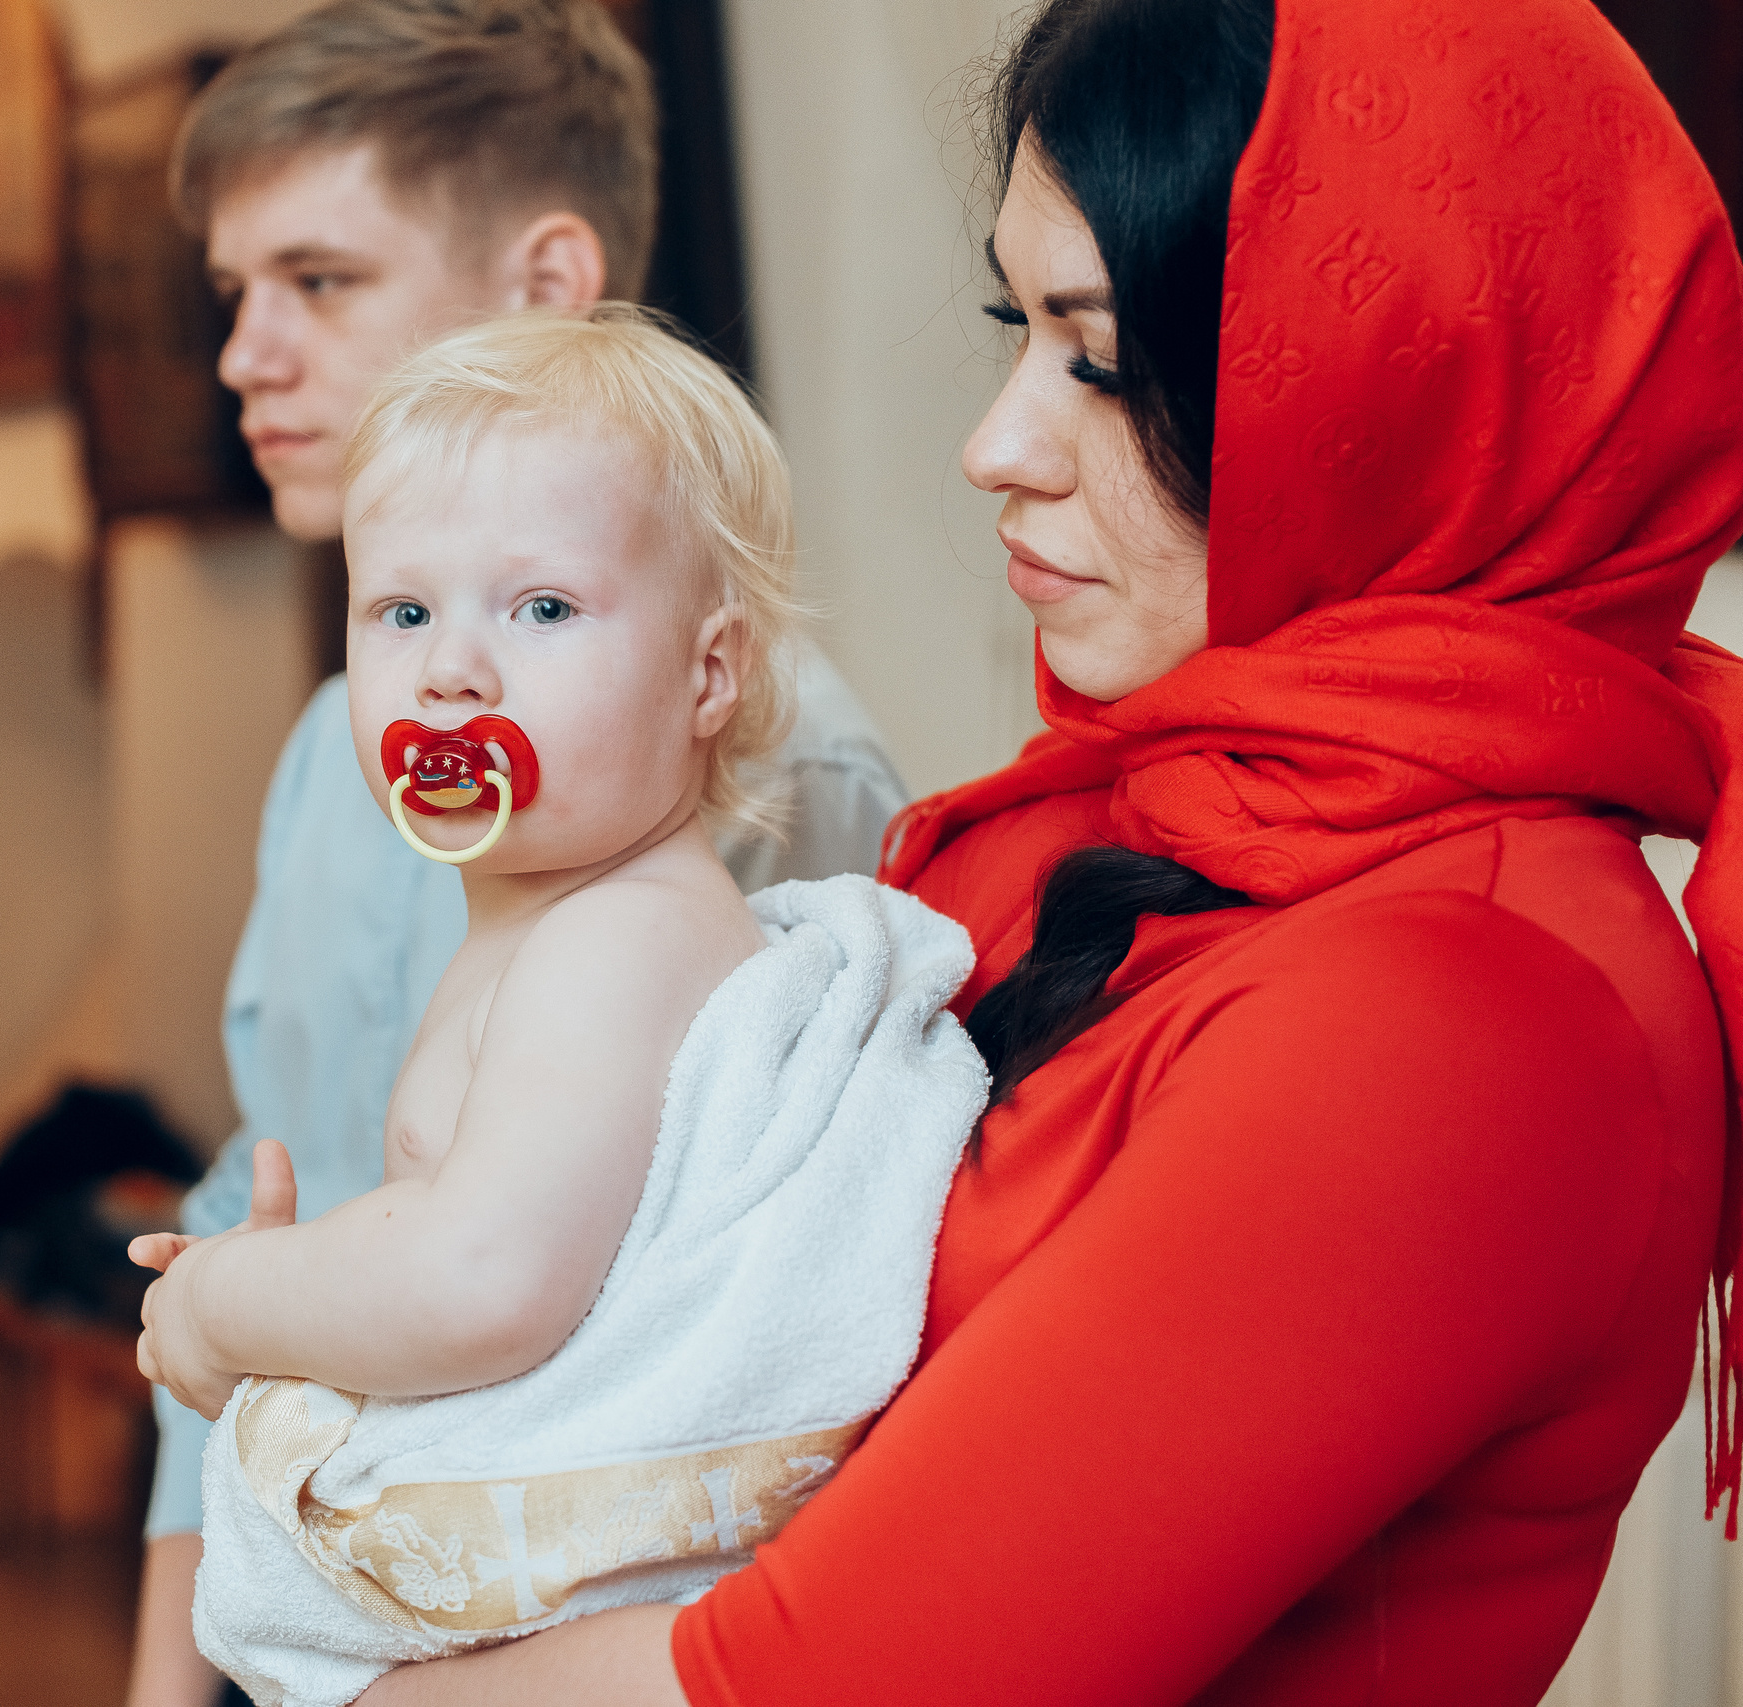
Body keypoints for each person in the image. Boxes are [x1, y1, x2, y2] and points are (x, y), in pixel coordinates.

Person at [344, 0, 1743, 1701]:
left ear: (1400, 377)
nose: (995, 444)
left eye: (1100, 354)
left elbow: (820, 1682)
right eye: (1022, 323)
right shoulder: (1133, 813)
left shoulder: (1478, 1010)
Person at [133, 6, 910, 1700]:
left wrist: (246, 1305)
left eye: (319, 282)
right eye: (231, 295)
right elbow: (264, 1192)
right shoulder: (340, 755)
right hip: (348, 1589)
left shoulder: (757, 781)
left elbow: (722, 1332)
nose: (246, 358)